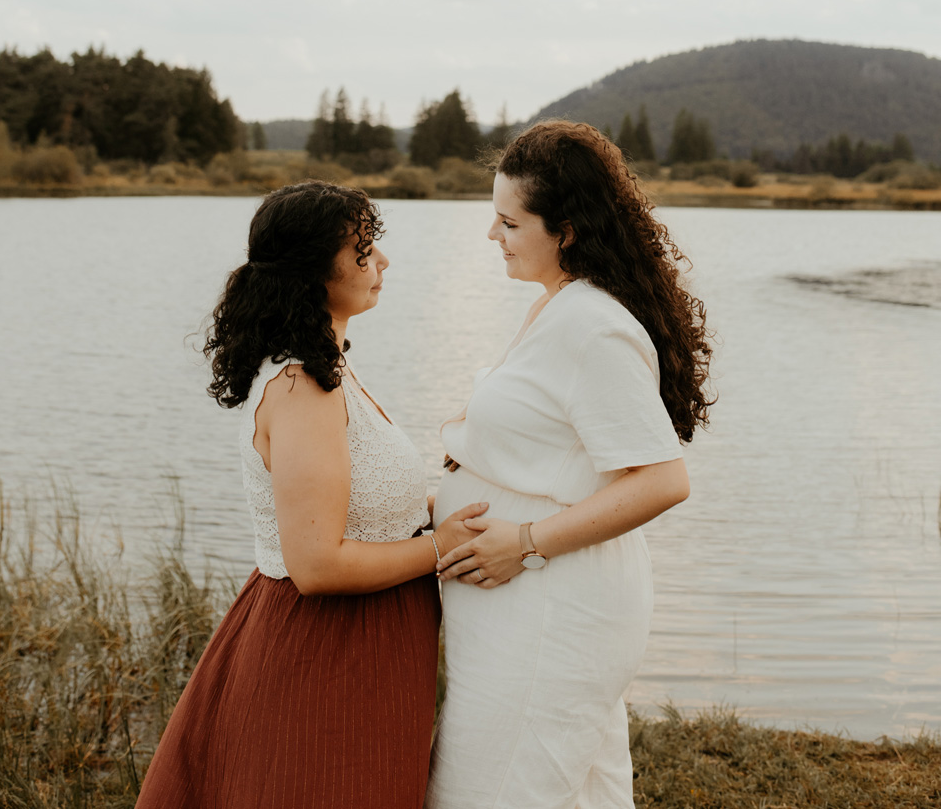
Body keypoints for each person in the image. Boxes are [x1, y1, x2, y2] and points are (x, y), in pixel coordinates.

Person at [136, 180, 487, 809]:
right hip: (324, 653)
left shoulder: (329, 368)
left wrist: (459, 498)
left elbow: (366, 510)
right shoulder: (302, 387)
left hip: (369, 645)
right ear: (312, 272)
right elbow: (317, 565)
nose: (382, 262)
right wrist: (442, 547)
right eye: (363, 251)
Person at [426, 120, 713, 809]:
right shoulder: (558, 305)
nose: (491, 235)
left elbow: (664, 479)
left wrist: (523, 542)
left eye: (508, 221)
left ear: (568, 229)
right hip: (529, 608)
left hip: (551, 609)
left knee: (487, 793)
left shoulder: (594, 325)